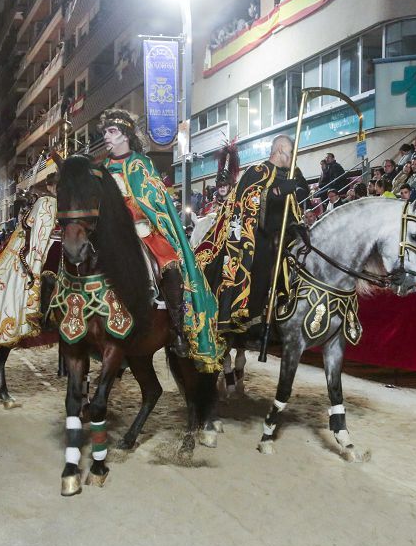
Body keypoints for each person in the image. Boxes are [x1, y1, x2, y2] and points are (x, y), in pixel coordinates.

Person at [98, 109, 219, 367]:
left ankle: (177, 330)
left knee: (170, 266)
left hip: (142, 230)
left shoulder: (141, 164)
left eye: (112, 131)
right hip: (111, 234)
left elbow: (153, 201)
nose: (106, 136)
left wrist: (125, 208)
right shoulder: (103, 168)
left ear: (125, 135)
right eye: (105, 132)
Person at [196, 132, 307, 340]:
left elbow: (294, 207)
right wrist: (275, 193)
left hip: (282, 237)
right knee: (261, 259)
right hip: (256, 236)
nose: (294, 158)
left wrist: (296, 221)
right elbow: (249, 199)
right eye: (292, 152)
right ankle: (248, 317)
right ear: (281, 149)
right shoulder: (258, 171)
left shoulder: (290, 174)